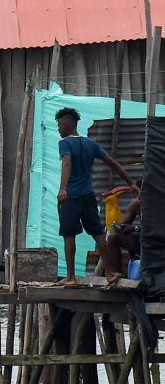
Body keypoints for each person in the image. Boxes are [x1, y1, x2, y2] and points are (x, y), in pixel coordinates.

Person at [55, 107, 138, 286]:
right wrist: (130, 182)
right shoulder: (90, 144)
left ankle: (71, 277)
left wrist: (63, 189)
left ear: (67, 124)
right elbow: (113, 163)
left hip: (71, 197)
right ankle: (109, 273)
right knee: (98, 234)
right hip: (88, 196)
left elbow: (67, 163)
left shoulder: (65, 143)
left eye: (59, 125)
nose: (58, 129)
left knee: (69, 234)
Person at [104, 191, 141, 279]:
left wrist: (135, 228)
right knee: (113, 237)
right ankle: (116, 273)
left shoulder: (159, 204)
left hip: (156, 241)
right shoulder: (136, 204)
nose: (138, 196)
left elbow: (156, 229)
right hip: (141, 239)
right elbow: (123, 225)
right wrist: (120, 227)